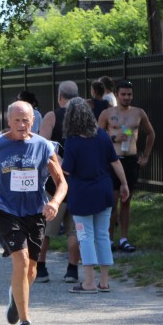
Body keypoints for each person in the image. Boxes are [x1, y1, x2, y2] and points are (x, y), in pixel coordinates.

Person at [0, 101, 66, 325]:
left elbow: (61, 182)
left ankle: (16, 296)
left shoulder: (43, 146)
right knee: (22, 260)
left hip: (35, 212)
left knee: (32, 269)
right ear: (8, 121)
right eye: (17, 120)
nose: (22, 125)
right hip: (6, 210)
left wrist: (55, 202)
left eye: (26, 120)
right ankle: (25, 324)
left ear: (33, 121)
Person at [61, 98, 129, 292]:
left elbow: (67, 170)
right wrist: (124, 184)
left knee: (85, 236)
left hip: (82, 195)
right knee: (102, 235)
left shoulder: (72, 141)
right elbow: (115, 161)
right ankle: (104, 281)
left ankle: (89, 281)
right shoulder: (102, 135)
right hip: (104, 191)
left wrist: (55, 159)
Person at [97, 79, 156, 253]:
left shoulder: (138, 113)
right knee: (112, 201)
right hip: (113, 161)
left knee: (126, 201)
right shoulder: (107, 113)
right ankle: (108, 239)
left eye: (129, 94)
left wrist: (145, 156)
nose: (126, 97)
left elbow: (150, 133)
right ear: (116, 95)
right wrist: (114, 138)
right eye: (123, 94)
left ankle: (124, 239)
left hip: (130, 160)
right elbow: (98, 136)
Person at [37, 80, 81, 283]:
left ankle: (41, 268)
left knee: (45, 228)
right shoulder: (84, 117)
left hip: (55, 182)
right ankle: (72, 270)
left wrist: (59, 164)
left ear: (59, 96)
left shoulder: (52, 116)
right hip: (79, 181)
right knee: (74, 229)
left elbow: (43, 146)